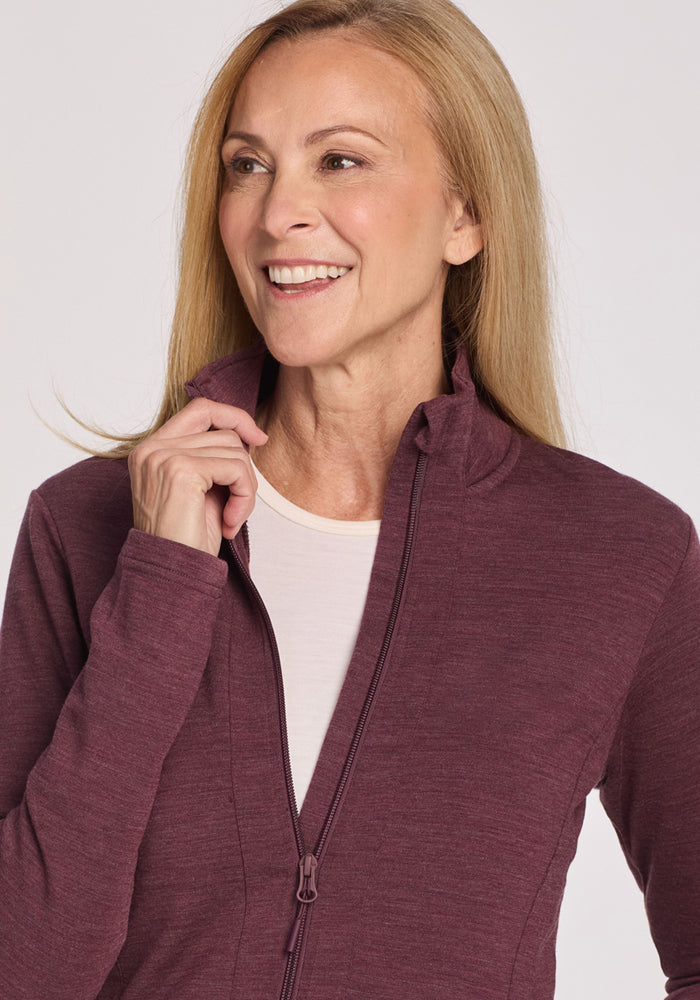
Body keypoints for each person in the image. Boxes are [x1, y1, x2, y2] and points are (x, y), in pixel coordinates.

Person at [0, 0, 698, 997]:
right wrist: (158, 586)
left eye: (340, 160)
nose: (279, 210)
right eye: (249, 164)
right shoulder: (86, 527)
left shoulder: (617, 556)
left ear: (466, 214)